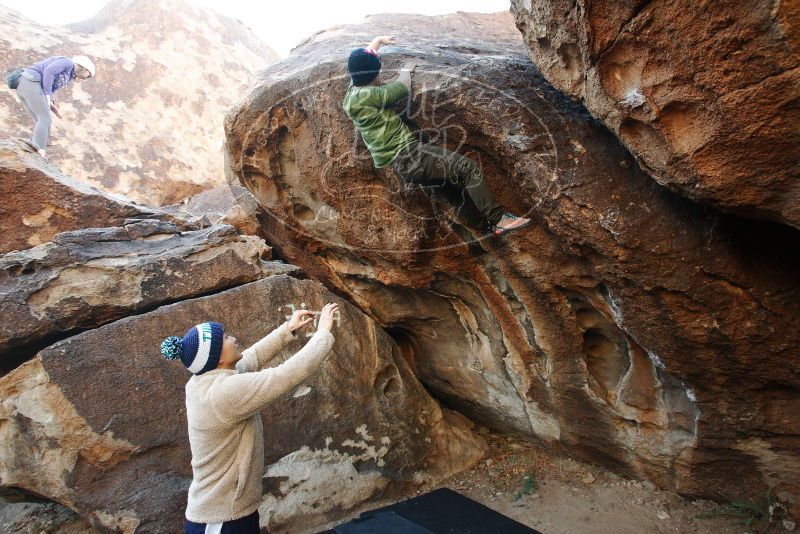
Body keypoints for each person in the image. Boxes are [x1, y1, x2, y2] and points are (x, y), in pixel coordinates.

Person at [160, 302, 340, 534]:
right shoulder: (223, 393)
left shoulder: (205, 380)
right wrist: (323, 333)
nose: (233, 339)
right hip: (219, 520)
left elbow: (251, 358)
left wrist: (289, 329)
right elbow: (284, 377)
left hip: (234, 513)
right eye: (225, 338)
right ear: (217, 358)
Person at [342, 35, 532, 237]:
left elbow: (361, 63)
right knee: (467, 169)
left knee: (453, 193)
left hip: (401, 167)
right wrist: (406, 69)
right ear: (374, 73)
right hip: (411, 154)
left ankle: (485, 229)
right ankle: (499, 219)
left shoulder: (351, 94)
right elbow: (402, 86)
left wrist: (377, 41)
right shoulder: (374, 95)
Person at [14, 55, 96, 157]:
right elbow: (49, 71)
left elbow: (52, 88)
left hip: (27, 86)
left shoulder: (69, 76)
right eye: (87, 75)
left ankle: (34, 148)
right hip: (30, 81)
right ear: (84, 68)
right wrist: (47, 95)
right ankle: (39, 150)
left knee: (40, 121)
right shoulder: (67, 62)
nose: (85, 78)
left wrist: (50, 102)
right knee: (45, 119)